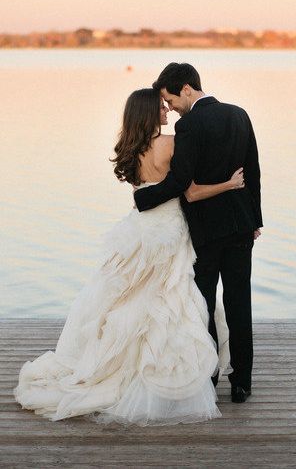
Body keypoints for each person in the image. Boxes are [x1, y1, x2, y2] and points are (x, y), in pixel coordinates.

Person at [14, 88, 246, 426]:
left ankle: (118, 367)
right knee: (171, 300)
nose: (167, 111)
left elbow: (144, 194)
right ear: (151, 113)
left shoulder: (129, 148)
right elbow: (189, 189)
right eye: (161, 108)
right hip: (169, 230)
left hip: (139, 231)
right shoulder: (171, 143)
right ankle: (164, 381)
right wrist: (228, 185)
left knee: (128, 299)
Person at [134, 64, 263, 403]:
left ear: (186, 89)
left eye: (170, 99)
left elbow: (180, 183)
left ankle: (209, 373)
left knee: (201, 304)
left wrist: (142, 197)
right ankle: (242, 382)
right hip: (240, 225)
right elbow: (253, 170)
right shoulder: (240, 115)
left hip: (204, 230)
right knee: (239, 302)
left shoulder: (189, 126)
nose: (171, 107)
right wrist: (256, 219)